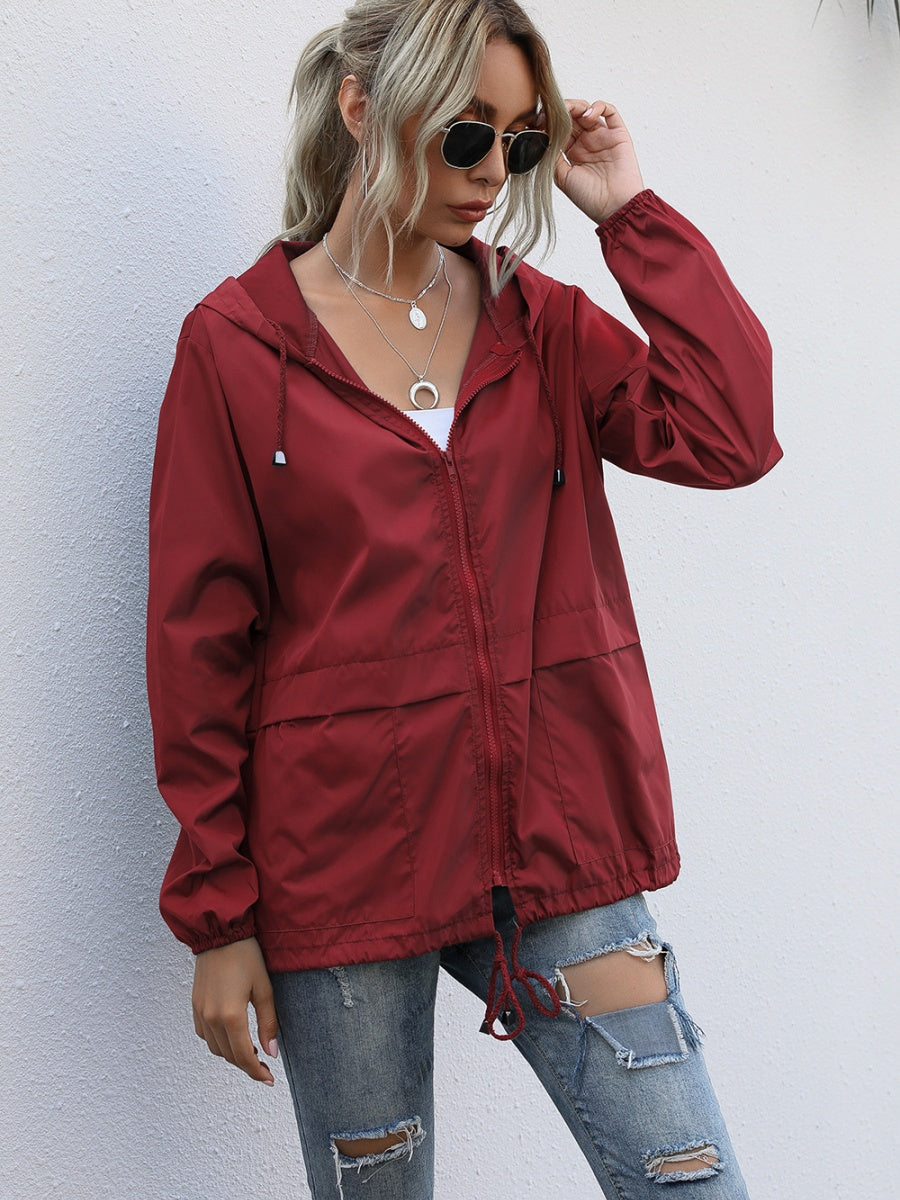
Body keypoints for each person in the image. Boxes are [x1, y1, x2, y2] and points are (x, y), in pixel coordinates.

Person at [146, 1, 782, 1196]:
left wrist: (628, 214)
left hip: (561, 848)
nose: (495, 171)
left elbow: (730, 433)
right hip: (343, 873)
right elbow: (200, 648)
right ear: (360, 107)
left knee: (692, 1178)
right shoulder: (237, 348)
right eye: (466, 133)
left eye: (522, 141)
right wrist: (220, 918)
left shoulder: (538, 325)